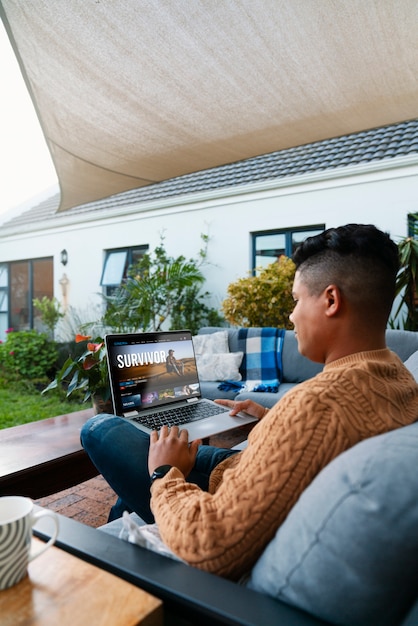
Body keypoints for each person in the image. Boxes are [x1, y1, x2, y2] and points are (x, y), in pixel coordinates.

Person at [81, 224, 418, 581]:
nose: (292, 316)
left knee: (102, 429)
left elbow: (212, 545)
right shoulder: (396, 374)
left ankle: (113, 557)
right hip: (241, 467)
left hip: (222, 504)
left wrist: (165, 474)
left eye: (296, 300)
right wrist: (273, 419)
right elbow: (329, 432)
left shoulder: (315, 405)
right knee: (152, 446)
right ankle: (117, 542)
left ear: (331, 301)